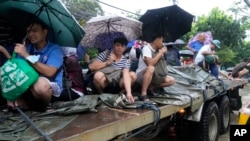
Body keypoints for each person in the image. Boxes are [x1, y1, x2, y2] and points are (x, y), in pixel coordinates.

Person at [7, 19, 80, 112]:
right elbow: (15, 69)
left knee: (40, 84)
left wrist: (26, 55)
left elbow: (50, 72)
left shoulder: (55, 49)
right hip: (27, 85)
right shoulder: (27, 48)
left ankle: (45, 106)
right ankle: (20, 103)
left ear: (44, 32)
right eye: (28, 31)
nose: (30, 34)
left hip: (49, 88)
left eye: (35, 30)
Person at [88, 37, 137, 103]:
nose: (119, 48)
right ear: (113, 45)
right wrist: (107, 62)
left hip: (117, 84)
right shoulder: (105, 54)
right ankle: (102, 95)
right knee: (98, 76)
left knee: (133, 75)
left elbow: (126, 75)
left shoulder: (125, 60)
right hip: (105, 83)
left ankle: (121, 94)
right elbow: (92, 67)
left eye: (122, 46)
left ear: (125, 48)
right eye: (118, 45)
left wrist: (129, 92)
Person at [136, 33, 175, 101]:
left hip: (155, 76)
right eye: (161, 41)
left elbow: (163, 66)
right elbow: (150, 63)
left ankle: (151, 87)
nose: (163, 44)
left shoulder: (159, 51)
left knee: (171, 80)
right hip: (142, 75)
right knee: (151, 68)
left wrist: (163, 54)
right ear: (156, 41)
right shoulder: (146, 48)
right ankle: (143, 93)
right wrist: (160, 53)